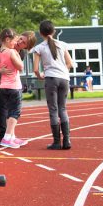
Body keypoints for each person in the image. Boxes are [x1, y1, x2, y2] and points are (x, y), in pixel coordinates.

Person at [32, 20, 74, 150]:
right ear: (54, 31)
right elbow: (70, 64)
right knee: (63, 109)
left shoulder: (39, 48)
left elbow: (35, 69)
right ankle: (67, 140)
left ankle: (56, 142)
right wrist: (62, 71)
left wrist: (40, 76)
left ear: (40, 33)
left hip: (51, 79)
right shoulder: (62, 45)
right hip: (64, 79)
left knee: (53, 110)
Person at [0, 29, 27, 149]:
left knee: (9, 112)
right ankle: (7, 137)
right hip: (14, 86)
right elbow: (20, 67)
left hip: (3, 87)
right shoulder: (11, 52)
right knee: (15, 113)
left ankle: (12, 137)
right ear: (8, 40)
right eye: (14, 41)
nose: (16, 43)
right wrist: (17, 56)